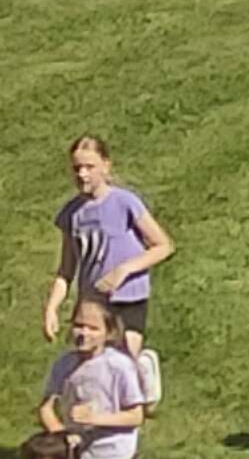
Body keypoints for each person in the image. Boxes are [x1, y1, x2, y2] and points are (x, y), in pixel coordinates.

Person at [40, 132, 173, 348]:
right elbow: (66, 271)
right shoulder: (72, 214)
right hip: (93, 303)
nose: (82, 174)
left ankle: (144, 365)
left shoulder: (124, 202)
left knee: (124, 358)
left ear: (105, 166)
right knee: (92, 360)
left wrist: (123, 270)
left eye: (89, 167)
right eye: (77, 168)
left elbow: (163, 246)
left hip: (127, 298)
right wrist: (51, 308)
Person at [36, 294, 152, 459]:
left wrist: (95, 419)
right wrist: (60, 433)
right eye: (79, 326)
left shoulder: (119, 366)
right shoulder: (65, 364)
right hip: (78, 453)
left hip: (114, 454)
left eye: (93, 328)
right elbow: (45, 407)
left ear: (108, 333)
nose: (84, 333)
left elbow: (136, 415)